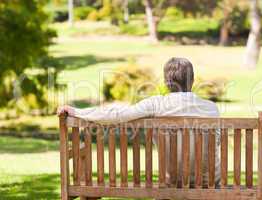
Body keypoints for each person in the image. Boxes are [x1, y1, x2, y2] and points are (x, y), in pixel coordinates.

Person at [57, 57, 220, 186]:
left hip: (174, 181)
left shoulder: (157, 104)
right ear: (192, 81)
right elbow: (217, 142)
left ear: (166, 83)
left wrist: (77, 111)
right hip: (209, 182)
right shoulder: (211, 108)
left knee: (168, 188)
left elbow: (115, 114)